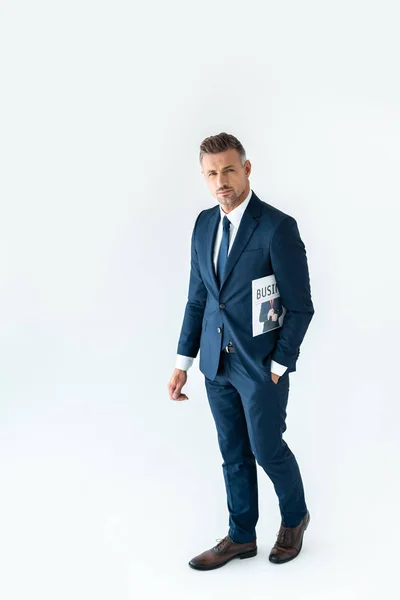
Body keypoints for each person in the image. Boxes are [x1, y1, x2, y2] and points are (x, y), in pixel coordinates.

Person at [167, 132, 315, 571]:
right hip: (215, 363)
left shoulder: (276, 227)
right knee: (232, 450)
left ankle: (294, 518)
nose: (221, 182)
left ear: (246, 169)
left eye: (228, 170)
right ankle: (241, 536)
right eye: (211, 174)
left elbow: (300, 306)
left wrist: (277, 365)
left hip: (259, 366)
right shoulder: (202, 224)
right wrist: (183, 363)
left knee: (267, 448)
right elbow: (198, 299)